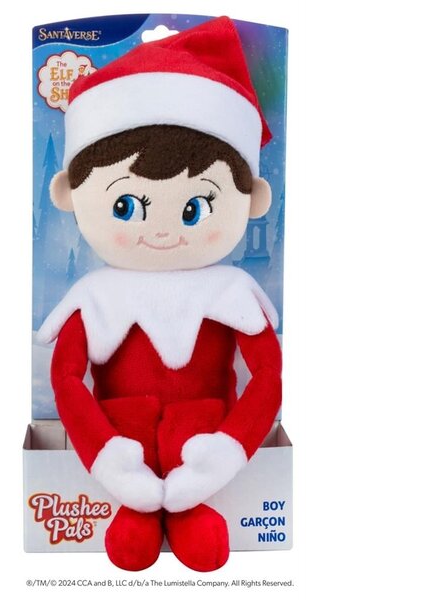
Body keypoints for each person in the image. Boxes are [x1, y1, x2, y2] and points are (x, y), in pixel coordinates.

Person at [37, 17, 282, 572]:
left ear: (253, 200)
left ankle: (189, 508)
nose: (165, 231)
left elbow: (267, 375)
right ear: (69, 193)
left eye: (195, 208)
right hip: (123, 439)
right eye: (125, 205)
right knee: (134, 538)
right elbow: (66, 378)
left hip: (207, 437)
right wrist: (106, 455)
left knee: (187, 531)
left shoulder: (231, 291)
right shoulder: (94, 296)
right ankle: (141, 510)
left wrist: (229, 448)